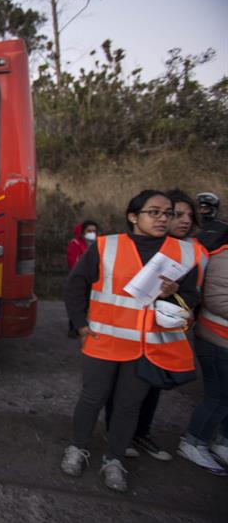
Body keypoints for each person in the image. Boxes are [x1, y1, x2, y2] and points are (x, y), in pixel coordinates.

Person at [61, 189, 199, 492]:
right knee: (92, 399)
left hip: (147, 346)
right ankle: (77, 448)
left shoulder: (184, 253)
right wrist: (81, 326)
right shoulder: (105, 246)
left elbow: (191, 299)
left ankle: (114, 459)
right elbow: (75, 286)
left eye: (168, 213)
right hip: (103, 341)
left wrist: (173, 293)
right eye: (154, 212)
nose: (164, 218)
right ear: (133, 217)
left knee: (127, 407)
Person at [104, 189, 208, 461]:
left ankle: (139, 433)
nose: (182, 220)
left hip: (166, 332)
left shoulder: (190, 253)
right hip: (129, 334)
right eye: (176, 214)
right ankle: (118, 436)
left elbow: (195, 294)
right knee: (124, 391)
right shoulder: (136, 247)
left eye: (187, 215)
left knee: (152, 387)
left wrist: (175, 297)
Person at [178, 230, 228, 476]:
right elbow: (217, 300)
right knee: (218, 397)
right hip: (218, 340)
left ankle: (221, 442)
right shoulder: (223, 259)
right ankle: (193, 442)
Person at [66, 220, 99, 337]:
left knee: (88, 304)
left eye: (94, 231)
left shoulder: (98, 244)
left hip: (93, 279)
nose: (92, 233)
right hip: (80, 278)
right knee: (77, 303)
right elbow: (72, 261)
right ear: (83, 232)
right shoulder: (75, 243)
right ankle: (74, 328)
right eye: (89, 231)